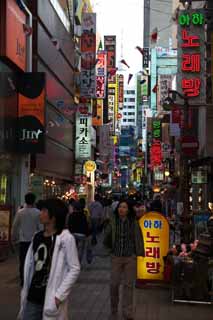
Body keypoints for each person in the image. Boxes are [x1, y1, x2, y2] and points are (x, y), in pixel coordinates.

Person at [18, 198, 80, 320]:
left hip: (51, 296)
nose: (40, 213)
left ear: (54, 216)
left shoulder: (66, 238)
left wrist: (59, 296)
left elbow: (74, 268)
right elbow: (30, 266)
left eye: (44, 211)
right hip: (33, 295)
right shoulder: (37, 236)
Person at [103, 200, 145, 320]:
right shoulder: (113, 221)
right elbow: (106, 236)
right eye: (120, 207)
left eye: (124, 207)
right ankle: (114, 310)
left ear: (128, 210)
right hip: (116, 257)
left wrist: (138, 252)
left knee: (128, 285)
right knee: (114, 284)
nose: (122, 209)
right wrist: (108, 249)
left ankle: (127, 311)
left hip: (129, 257)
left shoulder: (133, 222)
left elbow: (138, 237)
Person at [12, 192, 42, 287]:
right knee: (34, 260)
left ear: (25, 200)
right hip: (34, 240)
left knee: (23, 260)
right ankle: (33, 278)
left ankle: (23, 279)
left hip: (23, 240)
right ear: (34, 201)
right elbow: (40, 227)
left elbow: (15, 226)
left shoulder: (20, 212)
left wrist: (14, 238)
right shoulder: (38, 212)